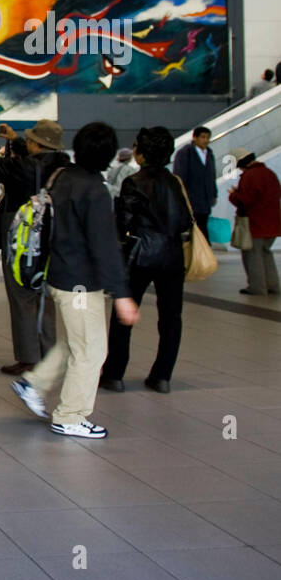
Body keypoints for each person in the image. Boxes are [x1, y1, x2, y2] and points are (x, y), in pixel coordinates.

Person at [11, 122, 139, 439]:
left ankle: (33, 383)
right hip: (79, 285)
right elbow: (105, 245)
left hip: (59, 275)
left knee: (76, 342)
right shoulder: (94, 189)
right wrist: (122, 294)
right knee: (92, 350)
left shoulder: (62, 176)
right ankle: (70, 415)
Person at [100, 127, 192, 394]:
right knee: (171, 317)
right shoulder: (174, 181)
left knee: (123, 316)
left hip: (140, 255)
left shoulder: (134, 182)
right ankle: (162, 376)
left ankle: (114, 375)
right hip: (172, 256)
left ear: (141, 152)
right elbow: (185, 220)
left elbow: (123, 224)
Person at [0, 118, 71, 375]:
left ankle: (28, 356)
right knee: (45, 297)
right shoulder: (63, 167)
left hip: (23, 237)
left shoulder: (25, 167)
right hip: (51, 239)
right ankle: (47, 350)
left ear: (35, 144)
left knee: (21, 296)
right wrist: (15, 140)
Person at [228, 151, 281, 295]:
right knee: (266, 253)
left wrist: (233, 195)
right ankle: (273, 285)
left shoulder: (249, 176)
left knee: (252, 255)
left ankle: (257, 287)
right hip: (272, 222)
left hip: (255, 223)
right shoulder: (270, 173)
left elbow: (245, 200)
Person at [173, 126, 217, 239]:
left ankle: (202, 251)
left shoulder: (209, 154)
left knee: (202, 224)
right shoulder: (185, 153)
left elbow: (212, 175)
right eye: (203, 137)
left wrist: (214, 194)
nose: (206, 140)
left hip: (205, 198)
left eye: (208, 138)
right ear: (195, 137)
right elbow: (180, 176)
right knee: (195, 227)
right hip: (191, 198)